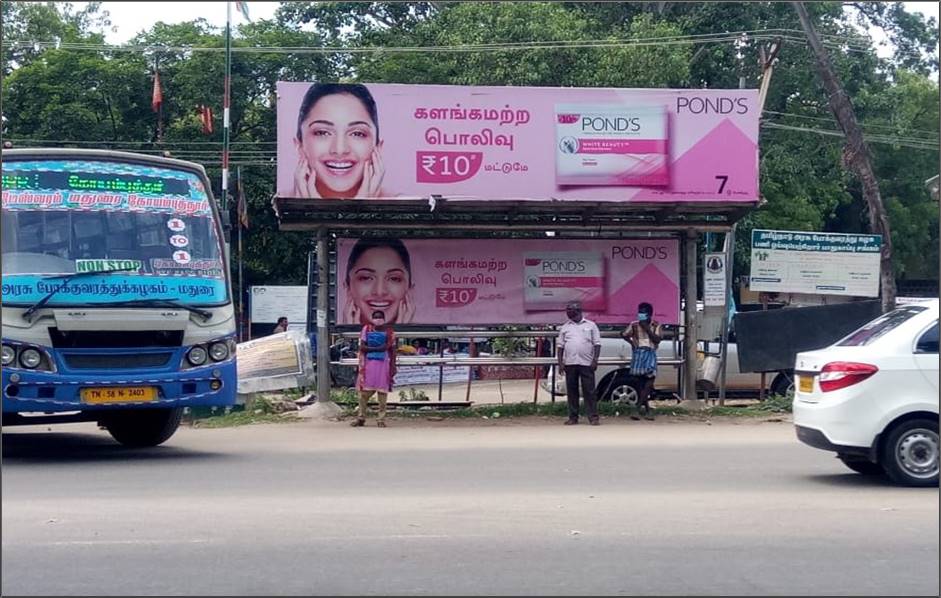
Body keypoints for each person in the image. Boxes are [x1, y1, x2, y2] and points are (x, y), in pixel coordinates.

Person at [291, 83, 387, 199]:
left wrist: (364, 208)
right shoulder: (282, 203)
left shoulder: (401, 203)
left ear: (377, 147)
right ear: (299, 146)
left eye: (357, 134)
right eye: (322, 133)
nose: (340, 149)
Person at [342, 238, 415, 326]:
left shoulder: (425, 338)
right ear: (348, 287)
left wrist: (402, 333)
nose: (379, 292)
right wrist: (350, 333)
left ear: (409, 289)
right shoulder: (331, 336)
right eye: (366, 278)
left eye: (394, 278)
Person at [557, 301, 602, 426]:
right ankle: (573, 417)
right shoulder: (565, 327)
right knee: (572, 391)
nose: (568, 312)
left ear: (578, 311)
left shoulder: (591, 325)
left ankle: (593, 417)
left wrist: (595, 360)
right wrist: (560, 363)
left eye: (570, 310)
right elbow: (560, 347)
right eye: (567, 310)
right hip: (570, 363)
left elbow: (597, 344)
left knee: (589, 391)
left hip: (586, 363)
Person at [352, 310, 397, 428]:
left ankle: (381, 419)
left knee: (382, 393)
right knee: (363, 394)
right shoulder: (366, 329)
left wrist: (393, 366)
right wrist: (378, 348)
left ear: (384, 318)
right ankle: (361, 417)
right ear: (372, 318)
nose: (378, 319)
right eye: (375, 317)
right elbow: (362, 346)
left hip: (384, 365)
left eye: (380, 317)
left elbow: (391, 349)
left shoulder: (389, 332)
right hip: (368, 365)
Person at [622, 302, 663, 421]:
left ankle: (638, 408)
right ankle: (648, 410)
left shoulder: (656, 325)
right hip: (638, 354)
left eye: (643, 312)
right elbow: (623, 334)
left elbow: (658, 339)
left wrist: (647, 329)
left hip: (650, 354)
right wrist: (631, 343)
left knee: (649, 381)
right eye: (639, 312)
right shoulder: (634, 325)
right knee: (641, 383)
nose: (640, 315)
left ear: (649, 314)